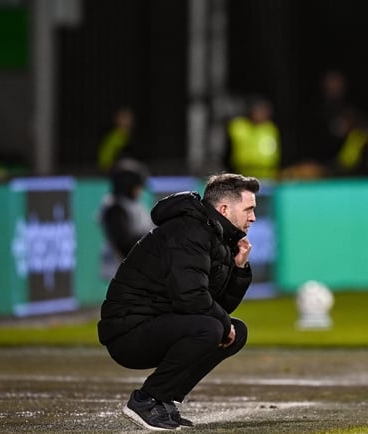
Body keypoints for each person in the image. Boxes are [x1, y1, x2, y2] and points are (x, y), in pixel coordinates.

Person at [97, 173, 260, 430]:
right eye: (248, 209)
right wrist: (221, 322)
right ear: (224, 209)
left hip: (157, 321)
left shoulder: (216, 236)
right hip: (127, 331)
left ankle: (164, 400)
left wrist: (239, 269)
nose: (253, 217)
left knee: (235, 331)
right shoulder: (190, 232)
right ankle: (146, 400)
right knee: (211, 328)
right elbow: (190, 298)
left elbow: (217, 305)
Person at [98, 158, 154, 280]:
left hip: (137, 268)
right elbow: (124, 243)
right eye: (137, 186)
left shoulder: (133, 204)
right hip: (123, 269)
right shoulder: (115, 208)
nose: (139, 190)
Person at [226, 96, 282, 180]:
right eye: (259, 110)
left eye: (265, 111)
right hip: (241, 174)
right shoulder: (238, 126)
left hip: (267, 176)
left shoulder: (270, 129)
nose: (261, 114)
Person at [97, 107, 135, 172]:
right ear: (116, 119)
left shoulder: (131, 136)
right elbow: (104, 160)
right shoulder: (113, 137)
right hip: (115, 171)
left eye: (129, 117)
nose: (127, 120)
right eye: (123, 117)